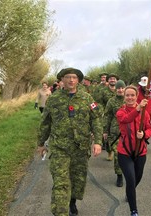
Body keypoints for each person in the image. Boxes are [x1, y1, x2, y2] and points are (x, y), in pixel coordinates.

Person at [37, 67, 102, 216]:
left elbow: (96, 119)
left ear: (78, 80)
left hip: (81, 148)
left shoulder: (87, 98)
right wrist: (41, 143)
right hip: (60, 147)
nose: (71, 80)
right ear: (62, 80)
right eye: (67, 77)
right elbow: (45, 122)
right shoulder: (54, 99)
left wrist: (98, 141)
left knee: (77, 180)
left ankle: (72, 201)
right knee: (61, 182)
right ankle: (60, 212)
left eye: (74, 77)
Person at [116, 85, 151, 216]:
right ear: (124, 97)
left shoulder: (145, 113)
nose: (130, 97)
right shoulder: (121, 111)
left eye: (132, 95)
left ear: (137, 96)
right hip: (125, 152)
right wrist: (138, 109)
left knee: (137, 178)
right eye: (127, 95)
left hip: (140, 152)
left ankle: (129, 192)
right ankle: (134, 211)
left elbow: (150, 128)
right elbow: (126, 119)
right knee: (130, 180)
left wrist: (144, 134)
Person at [103, 80, 126, 187]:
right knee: (118, 154)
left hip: (129, 132)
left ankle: (129, 173)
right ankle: (119, 175)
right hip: (115, 132)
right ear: (115, 90)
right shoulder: (111, 101)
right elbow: (107, 116)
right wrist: (105, 131)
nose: (120, 90)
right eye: (118, 88)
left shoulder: (130, 99)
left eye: (122, 88)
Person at [97, 73, 119, 160]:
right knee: (107, 135)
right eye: (110, 79)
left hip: (118, 116)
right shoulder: (103, 91)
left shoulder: (120, 90)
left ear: (117, 81)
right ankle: (109, 151)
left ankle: (118, 152)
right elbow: (96, 102)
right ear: (108, 81)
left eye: (114, 79)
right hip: (106, 115)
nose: (112, 80)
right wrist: (100, 111)